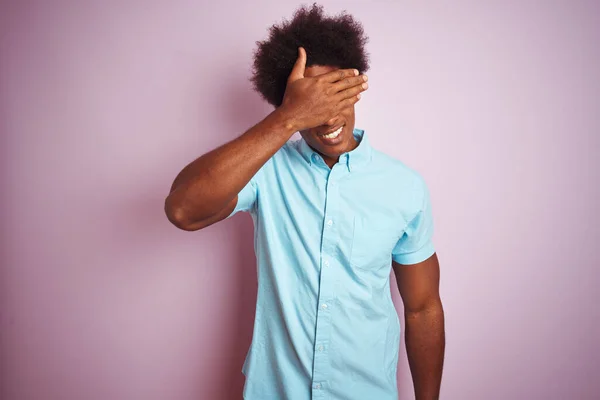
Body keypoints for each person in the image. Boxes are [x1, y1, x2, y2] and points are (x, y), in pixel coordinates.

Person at [165, 4, 445, 399]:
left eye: (332, 95)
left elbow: (423, 308)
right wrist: (287, 119)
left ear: (354, 85)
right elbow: (183, 210)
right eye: (308, 105)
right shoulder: (264, 170)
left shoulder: (404, 187)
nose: (325, 117)